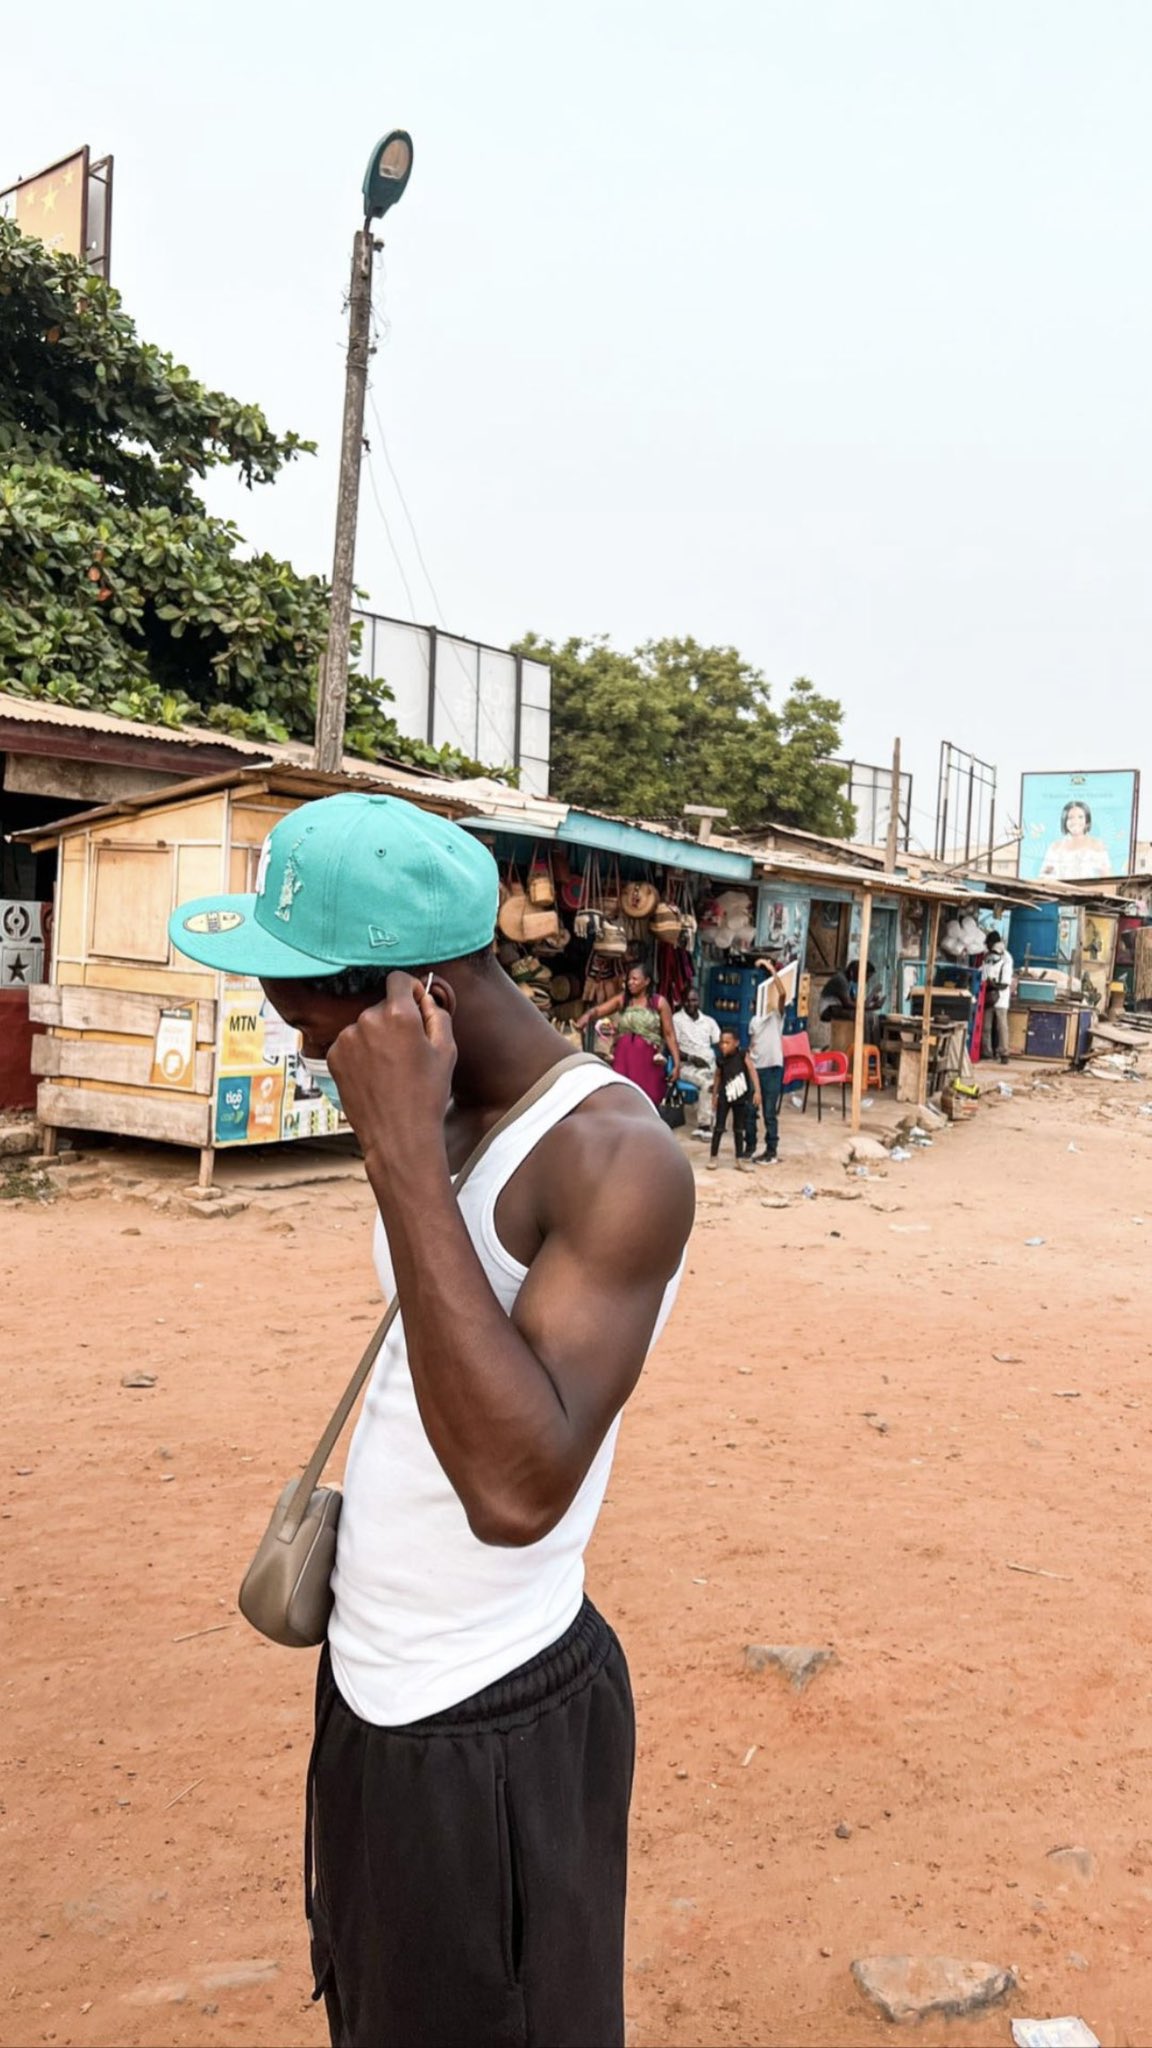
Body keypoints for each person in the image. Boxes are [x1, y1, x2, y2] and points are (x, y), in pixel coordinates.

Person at [169, 792, 695, 2048]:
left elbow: (518, 1491)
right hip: (374, 1696)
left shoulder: (616, 1161)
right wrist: (416, 1137)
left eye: (298, 997)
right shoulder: (449, 1111)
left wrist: (400, 1149)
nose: (292, 1035)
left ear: (408, 994)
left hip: (489, 1723)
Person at [575, 963, 680, 1107]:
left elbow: (669, 1034)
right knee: (620, 1101)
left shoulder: (659, 1003)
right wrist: (587, 1016)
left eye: (635, 979)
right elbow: (599, 1011)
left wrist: (676, 1064)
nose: (630, 982)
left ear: (647, 981)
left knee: (646, 1104)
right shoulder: (623, 1000)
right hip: (623, 1059)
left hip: (647, 1063)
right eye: (629, 979)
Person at [748, 960, 788, 1164]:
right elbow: (753, 1043)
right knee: (751, 1111)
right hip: (756, 1069)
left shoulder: (776, 1016)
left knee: (769, 1112)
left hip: (772, 1069)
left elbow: (782, 994)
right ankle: (750, 1146)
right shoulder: (754, 1021)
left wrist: (772, 970)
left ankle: (771, 1150)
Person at [708, 1027, 762, 1172]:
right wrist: (714, 1096)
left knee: (738, 1129)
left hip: (740, 1097)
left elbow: (752, 1071)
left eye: (727, 1042)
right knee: (719, 1127)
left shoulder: (742, 1055)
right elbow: (718, 1076)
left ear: (736, 1043)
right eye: (721, 1043)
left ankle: (739, 1159)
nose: (723, 1046)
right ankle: (713, 1157)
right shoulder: (720, 1059)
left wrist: (757, 1091)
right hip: (725, 1097)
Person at [671, 985, 720, 1136]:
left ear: (699, 1001)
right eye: (687, 1001)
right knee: (709, 1083)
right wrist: (692, 1058)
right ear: (682, 1002)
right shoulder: (677, 1019)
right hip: (688, 1065)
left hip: (709, 1064)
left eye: (694, 1000)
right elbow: (672, 1048)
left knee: (727, 1080)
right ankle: (704, 1125)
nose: (691, 1004)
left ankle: (720, 1121)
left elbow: (719, 1042)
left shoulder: (708, 1021)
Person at [1039, 801, 1112, 882]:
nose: (1075, 821)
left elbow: (1106, 878)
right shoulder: (1055, 847)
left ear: (1087, 820)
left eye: (1080, 817)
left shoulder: (1097, 845)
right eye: (1070, 817)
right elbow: (1043, 875)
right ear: (1065, 821)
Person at [982, 929, 1014, 1064]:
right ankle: (987, 1052)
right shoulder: (988, 957)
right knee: (986, 1026)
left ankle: (1004, 1052)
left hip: (1000, 996)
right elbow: (984, 972)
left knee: (1001, 1026)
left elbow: (1005, 983)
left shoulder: (1006, 958)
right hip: (989, 995)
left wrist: (993, 985)